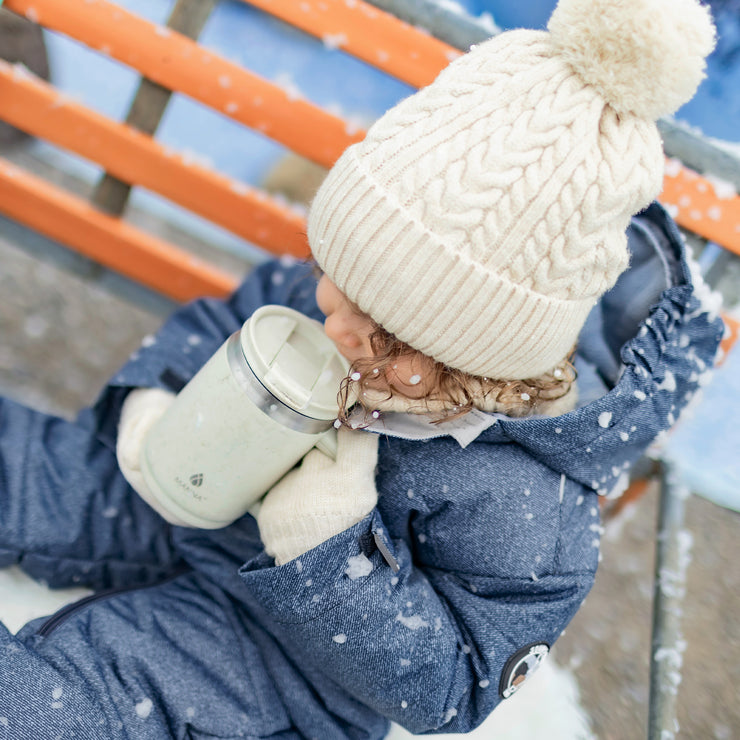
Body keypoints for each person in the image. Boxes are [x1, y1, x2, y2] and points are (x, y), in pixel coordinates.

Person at [0, 0, 723, 737]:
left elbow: (453, 686)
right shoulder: (363, 309)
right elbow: (236, 317)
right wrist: (158, 397)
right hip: (182, 481)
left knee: (76, 707)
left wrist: (330, 553)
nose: (336, 328)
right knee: (30, 470)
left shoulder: (528, 508)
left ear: (481, 365)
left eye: (382, 334)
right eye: (332, 281)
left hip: (282, 662)